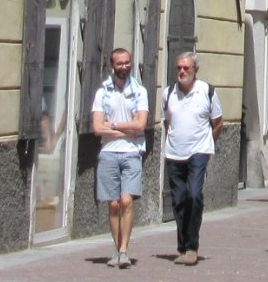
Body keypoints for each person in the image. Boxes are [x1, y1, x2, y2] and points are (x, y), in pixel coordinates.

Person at [161, 52, 223, 266]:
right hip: (174, 153)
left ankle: (192, 247)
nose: (182, 71)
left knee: (194, 195)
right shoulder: (168, 92)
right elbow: (168, 122)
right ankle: (183, 246)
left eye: (186, 68)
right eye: (179, 67)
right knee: (179, 200)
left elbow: (218, 122)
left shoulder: (207, 91)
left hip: (199, 151)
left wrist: (208, 143)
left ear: (195, 70)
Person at [89, 46, 148, 269]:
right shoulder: (102, 93)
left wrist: (111, 125)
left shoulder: (140, 91)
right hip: (108, 152)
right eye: (119, 63)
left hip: (132, 152)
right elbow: (96, 127)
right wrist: (126, 129)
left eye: (127, 63)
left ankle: (124, 250)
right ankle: (116, 249)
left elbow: (141, 124)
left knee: (126, 200)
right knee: (113, 205)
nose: (124, 67)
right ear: (112, 65)